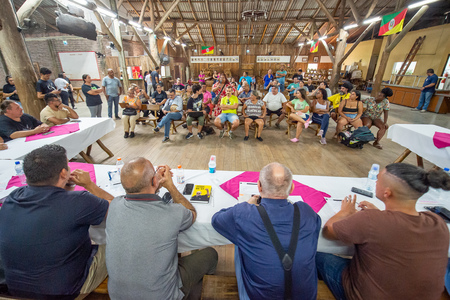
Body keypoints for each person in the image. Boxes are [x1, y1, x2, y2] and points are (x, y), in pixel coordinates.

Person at [317, 163, 450, 300]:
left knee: (315, 254)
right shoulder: (437, 222)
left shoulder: (371, 220)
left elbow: (328, 231)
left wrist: (345, 212)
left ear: (387, 192)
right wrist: (379, 214)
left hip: (362, 295)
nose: (375, 182)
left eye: (378, 180)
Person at [0, 144, 114, 299]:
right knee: (114, 242)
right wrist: (89, 185)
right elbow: (117, 210)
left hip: (16, 289)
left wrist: (64, 186)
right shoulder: (79, 202)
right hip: (64, 292)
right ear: (63, 173)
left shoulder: (13, 196)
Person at [105, 158, 218, 299]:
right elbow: (191, 213)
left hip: (117, 296)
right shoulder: (172, 213)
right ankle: (195, 291)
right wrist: (170, 186)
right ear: (153, 181)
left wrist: (154, 180)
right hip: (164, 296)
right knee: (211, 254)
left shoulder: (114, 206)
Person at [212, 162, 321, 300]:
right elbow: (316, 228)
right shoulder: (306, 211)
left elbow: (216, 220)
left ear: (259, 186)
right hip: (306, 296)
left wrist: (246, 204)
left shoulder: (244, 213)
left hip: (259, 296)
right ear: (292, 188)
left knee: (240, 242)